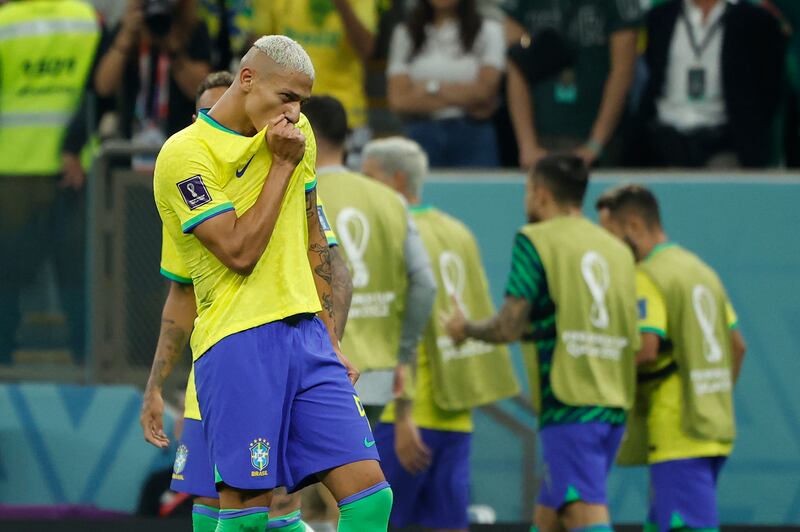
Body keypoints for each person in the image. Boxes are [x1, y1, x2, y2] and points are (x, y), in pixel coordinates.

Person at [151, 36, 392, 532]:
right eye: (287, 96)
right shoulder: (185, 155)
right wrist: (281, 164)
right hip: (239, 342)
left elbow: (315, 244)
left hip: (308, 341)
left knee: (371, 500)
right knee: (246, 519)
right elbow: (238, 253)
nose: (295, 112)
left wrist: (330, 339)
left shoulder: (297, 133)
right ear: (247, 79)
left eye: (302, 100)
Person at [443, 154, 639, 532]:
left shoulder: (535, 240)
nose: (526, 199)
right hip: (614, 400)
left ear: (541, 195)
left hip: (571, 403)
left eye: (527, 190)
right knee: (550, 514)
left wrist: (463, 328)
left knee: (583, 511)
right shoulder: (616, 248)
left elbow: (509, 327)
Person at [361, 136, 520, 531]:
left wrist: (403, 415)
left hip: (406, 418)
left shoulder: (396, 231)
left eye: (368, 177)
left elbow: (404, 324)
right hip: (456, 418)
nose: (363, 188)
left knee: (377, 522)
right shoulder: (458, 232)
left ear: (396, 180)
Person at [595, 184, 747, 532]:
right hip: (714, 427)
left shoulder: (647, 274)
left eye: (611, 236)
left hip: (677, 429)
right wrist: (714, 396)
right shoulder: (701, 270)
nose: (609, 249)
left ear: (633, 225)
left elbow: (646, 349)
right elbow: (737, 346)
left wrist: (599, 369)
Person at [301, 96, 437, 427]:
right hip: (377, 372)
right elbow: (425, 283)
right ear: (347, 139)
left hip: (315, 367)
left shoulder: (297, 195)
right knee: (356, 473)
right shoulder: (390, 199)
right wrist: (401, 354)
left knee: (310, 476)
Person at [0, 0, 103, 365]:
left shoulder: (5, 23)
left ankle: (4, 368)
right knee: (78, 278)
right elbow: (99, 89)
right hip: (76, 169)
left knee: (6, 279)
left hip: (12, 169)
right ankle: (85, 366)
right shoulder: (85, 20)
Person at [635, 0, 785, 168]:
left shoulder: (755, 20)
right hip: (664, 139)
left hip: (724, 142)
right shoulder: (659, 18)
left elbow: (769, 89)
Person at [503, 0, 641, 168]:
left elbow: (623, 71)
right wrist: (527, 145)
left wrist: (595, 144)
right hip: (540, 132)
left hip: (598, 136)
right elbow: (516, 67)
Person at [386, 0, 505, 167]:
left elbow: (485, 92)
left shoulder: (489, 30)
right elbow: (399, 100)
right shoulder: (404, 33)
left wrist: (429, 87)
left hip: (473, 134)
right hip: (422, 132)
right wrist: (466, 96)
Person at [253, 0, 377, 150]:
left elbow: (366, 49)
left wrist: (342, 5)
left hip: (345, 118)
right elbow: (259, 50)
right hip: (287, 116)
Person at [92, 0, 212, 142]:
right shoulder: (129, 29)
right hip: (130, 145)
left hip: (179, 142)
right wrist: (126, 36)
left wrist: (174, 48)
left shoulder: (194, 29)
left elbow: (200, 90)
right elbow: (103, 87)